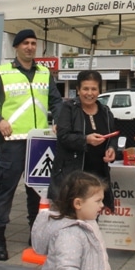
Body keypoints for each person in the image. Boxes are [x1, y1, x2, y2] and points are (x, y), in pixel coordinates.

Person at [0, 28, 63, 261]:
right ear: (16, 47)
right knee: (6, 190)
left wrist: (59, 121)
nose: (30, 47)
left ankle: (35, 234)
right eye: (25, 43)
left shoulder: (45, 72)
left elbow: (57, 101)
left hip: (40, 142)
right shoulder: (3, 72)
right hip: (12, 143)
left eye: (33, 43)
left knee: (37, 192)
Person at [48, 70, 116, 212]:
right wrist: (86, 140)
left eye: (93, 89)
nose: (89, 93)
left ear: (99, 91)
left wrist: (112, 149)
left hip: (97, 176)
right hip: (72, 176)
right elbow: (63, 136)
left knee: (92, 218)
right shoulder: (68, 108)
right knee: (69, 217)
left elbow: (112, 136)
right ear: (78, 90)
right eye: (85, 88)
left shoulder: (105, 111)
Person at [32, 171, 112, 270]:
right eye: (98, 201)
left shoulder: (89, 224)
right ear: (78, 203)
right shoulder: (69, 236)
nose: (102, 205)